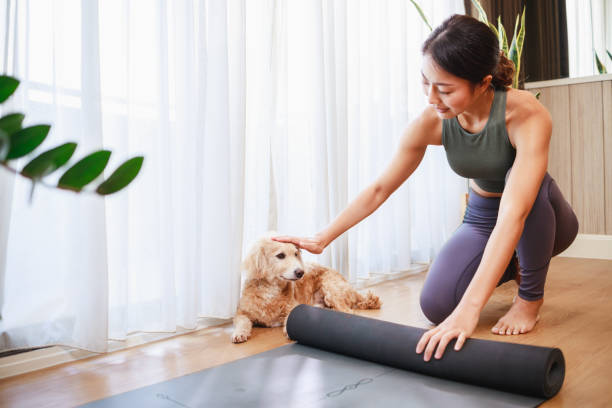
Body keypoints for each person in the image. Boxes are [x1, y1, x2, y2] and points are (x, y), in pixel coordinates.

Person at [272, 14, 578, 362]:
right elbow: (380, 188)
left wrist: (471, 309)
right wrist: (322, 237)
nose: (432, 97)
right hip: (481, 217)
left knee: (526, 194)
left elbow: (514, 213)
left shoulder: (525, 114)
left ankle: (529, 297)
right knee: (437, 304)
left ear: (483, 83)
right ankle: (515, 261)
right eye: (426, 82)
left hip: (542, 216)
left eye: (445, 89)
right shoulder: (431, 122)